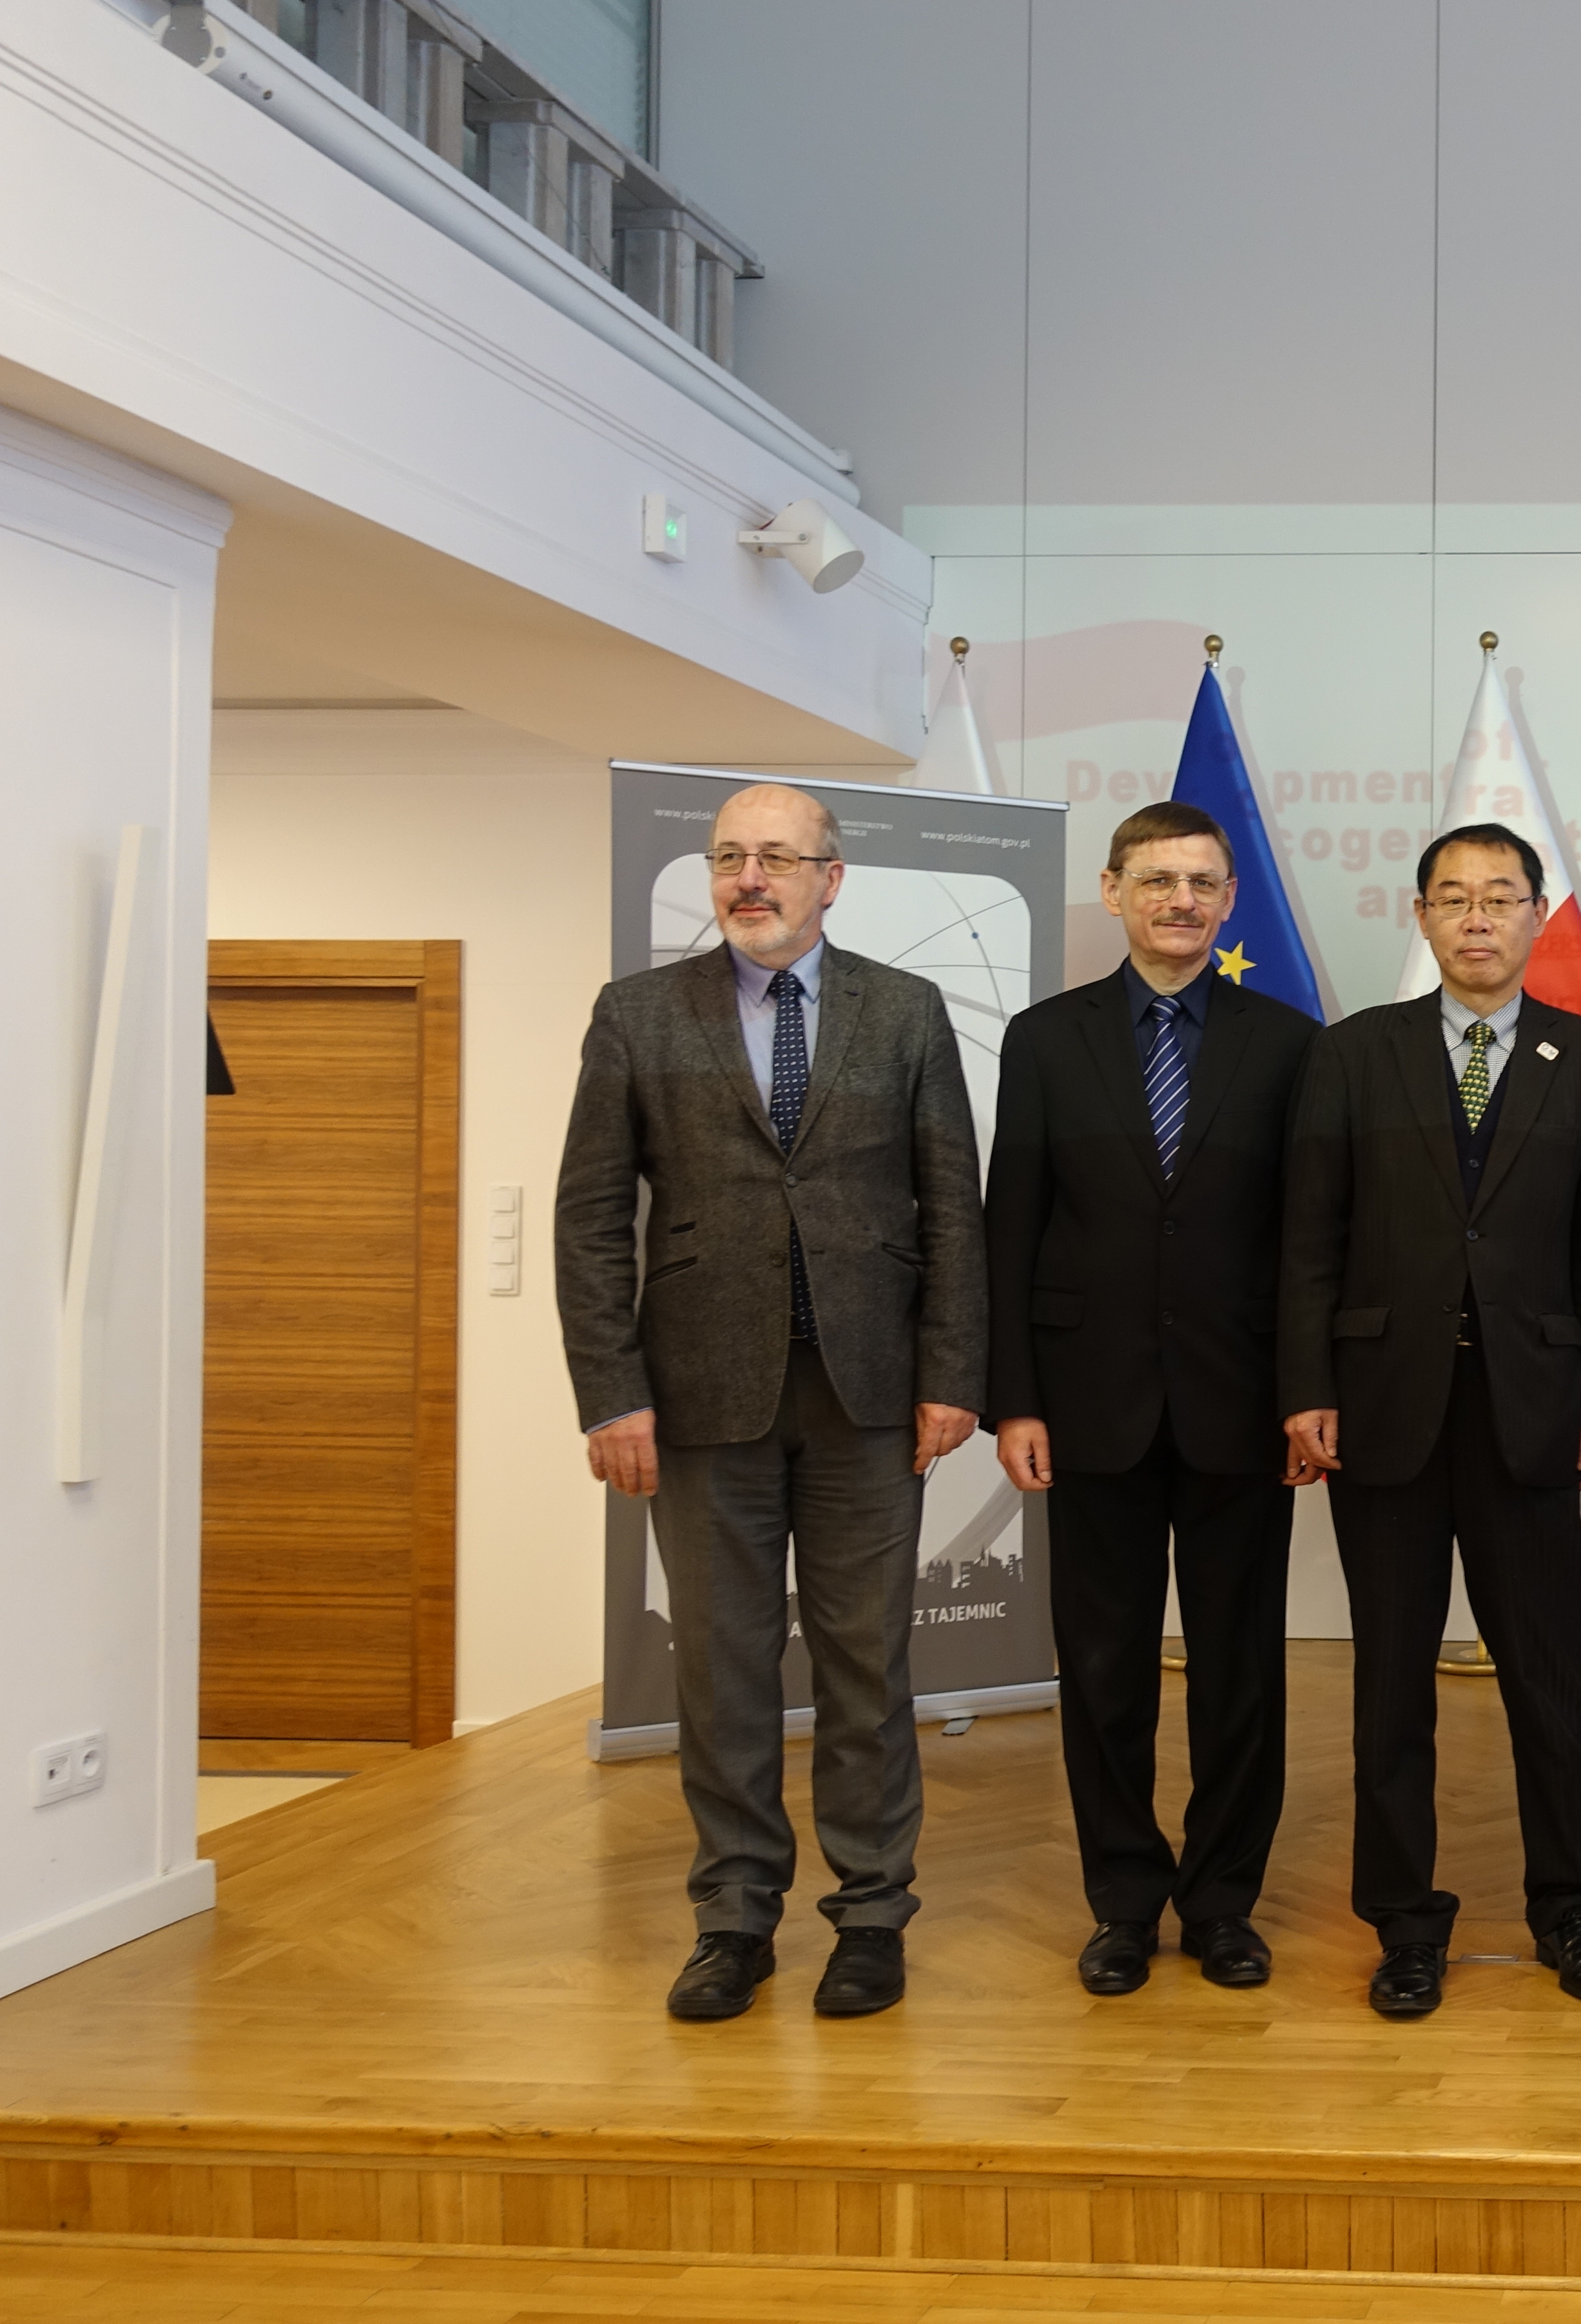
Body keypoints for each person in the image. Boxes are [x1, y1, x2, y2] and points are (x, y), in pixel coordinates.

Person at [556, 781, 987, 2022]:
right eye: (731, 856)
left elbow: (953, 1207)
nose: (751, 878)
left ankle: (872, 1915)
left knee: (868, 1666)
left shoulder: (906, 1011)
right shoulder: (638, 1013)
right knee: (723, 1670)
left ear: (830, 879)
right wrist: (611, 1395)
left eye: (779, 858)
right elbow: (592, 1217)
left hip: (870, 1395)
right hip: (698, 1399)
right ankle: (735, 1918)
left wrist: (951, 1375)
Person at [1275, 822, 1581, 2018]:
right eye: (1454, 897)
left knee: (1547, 1679)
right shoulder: (1352, 1054)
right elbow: (1310, 1238)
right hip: (1384, 1410)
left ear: (1537, 915)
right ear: (1421, 915)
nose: (1478, 917)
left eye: (1501, 896)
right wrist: (1306, 1386)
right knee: (1392, 1683)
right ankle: (1403, 1922)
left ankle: (1571, 1910)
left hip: (1532, 1413)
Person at [985, 801, 1320, 1999]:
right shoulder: (1045, 1039)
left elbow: (1307, 1241)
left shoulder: (1291, 1043)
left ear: (1230, 901)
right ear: (1114, 890)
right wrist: (1014, 1402)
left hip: (1243, 1408)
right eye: (1159, 880)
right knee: (1104, 1671)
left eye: (1203, 883)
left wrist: (1306, 1395)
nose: (1182, 901)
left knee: (1241, 1674)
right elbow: (1013, 1225)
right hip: (1089, 1406)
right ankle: (1124, 1903)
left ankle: (1223, 1902)